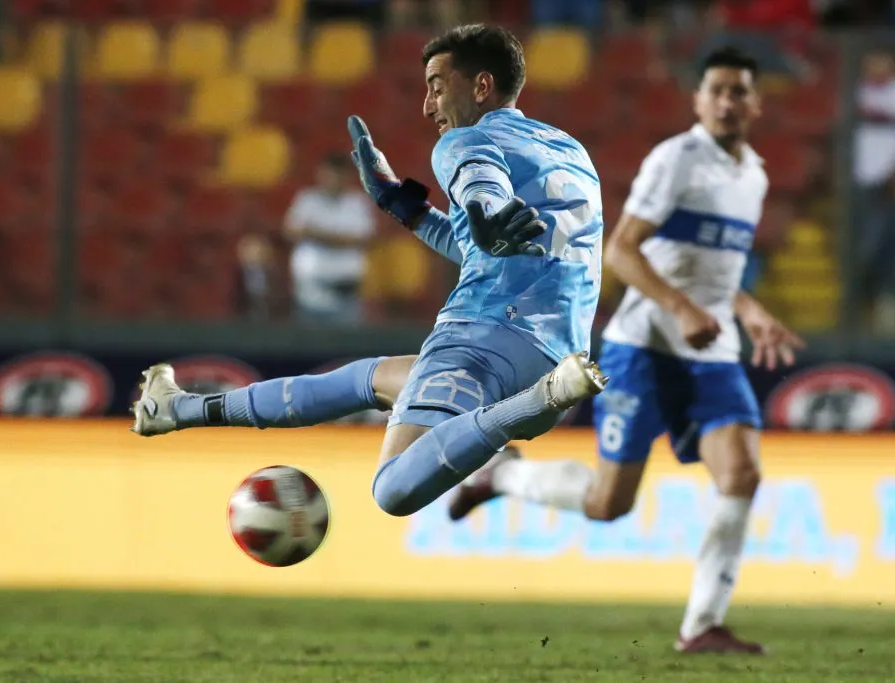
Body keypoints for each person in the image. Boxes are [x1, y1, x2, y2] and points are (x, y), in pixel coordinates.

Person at [130, 24, 606, 518]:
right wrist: (405, 206)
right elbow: (483, 244)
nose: (428, 105)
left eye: (438, 86)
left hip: (484, 344)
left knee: (392, 489)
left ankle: (530, 414)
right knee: (367, 380)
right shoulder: (569, 151)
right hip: (555, 349)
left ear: (481, 87)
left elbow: (480, 187)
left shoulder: (464, 141)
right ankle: (178, 409)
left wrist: (484, 214)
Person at [446, 46, 806, 655]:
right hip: (646, 346)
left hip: (710, 351)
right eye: (716, 89)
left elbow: (719, 271)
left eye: (739, 91)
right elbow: (621, 252)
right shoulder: (675, 160)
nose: (727, 101)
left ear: (755, 102)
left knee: (742, 473)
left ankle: (701, 626)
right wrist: (684, 309)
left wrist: (750, 310)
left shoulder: (754, 175)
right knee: (609, 503)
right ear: (698, 100)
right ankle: (506, 474)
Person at [284, 152, 377, 325]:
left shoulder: (357, 203)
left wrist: (314, 234)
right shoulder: (307, 199)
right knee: (306, 346)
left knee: (348, 346)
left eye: (339, 174)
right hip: (310, 287)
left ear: (348, 176)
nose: (334, 179)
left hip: (347, 288)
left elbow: (362, 239)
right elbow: (291, 232)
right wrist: (339, 239)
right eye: (330, 173)